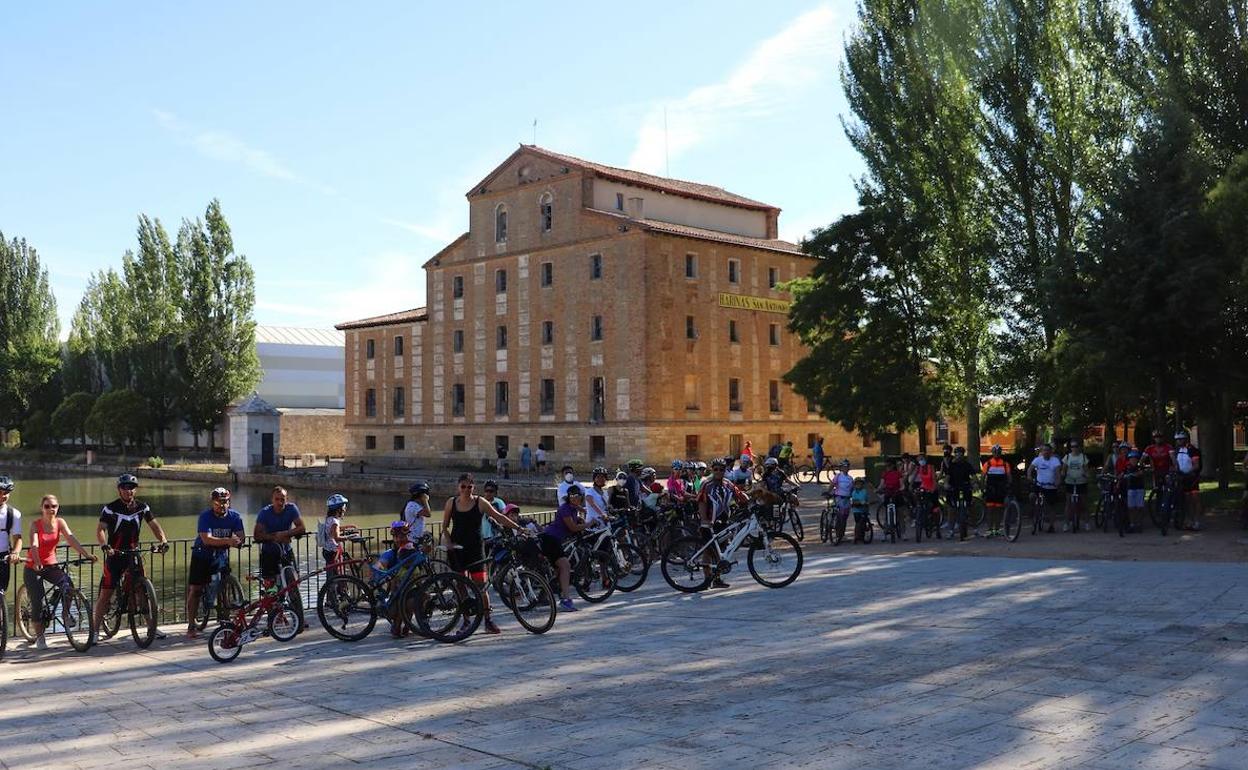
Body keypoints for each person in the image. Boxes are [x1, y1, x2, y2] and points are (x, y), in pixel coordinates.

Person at [441, 473, 524, 634]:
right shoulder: (451, 502)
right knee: (461, 586)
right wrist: (449, 542)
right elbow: (444, 526)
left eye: (469, 486)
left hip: (476, 549)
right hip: (457, 550)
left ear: (474, 487)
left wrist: (519, 528)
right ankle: (466, 621)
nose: (466, 490)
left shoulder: (480, 502)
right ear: (458, 487)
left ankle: (488, 620)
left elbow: (499, 517)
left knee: (481, 587)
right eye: (463, 486)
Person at [93, 473, 169, 636]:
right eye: (125, 488)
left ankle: (151, 627)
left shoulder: (142, 507)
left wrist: (163, 540)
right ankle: (94, 631)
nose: (129, 491)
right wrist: (104, 545)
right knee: (106, 594)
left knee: (142, 589)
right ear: (119, 489)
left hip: (133, 554)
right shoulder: (110, 508)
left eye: (132, 488)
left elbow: (154, 525)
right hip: (115, 555)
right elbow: (100, 529)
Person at [24, 494, 97, 649]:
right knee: (37, 601)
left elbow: (71, 539)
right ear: (42, 508)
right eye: (47, 506)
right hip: (33, 567)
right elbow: (34, 545)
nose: (51, 509)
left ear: (58, 508)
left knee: (68, 587)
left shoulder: (60, 522)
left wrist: (86, 554)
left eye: (54, 506)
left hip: (51, 565)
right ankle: (40, 637)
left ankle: (65, 615)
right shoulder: (35, 525)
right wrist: (37, 562)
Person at [185, 488, 245, 639]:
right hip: (202, 555)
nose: (222, 505)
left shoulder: (235, 516)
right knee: (196, 590)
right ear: (213, 503)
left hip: (221, 555)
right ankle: (191, 625)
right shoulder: (205, 516)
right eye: (218, 502)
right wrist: (228, 541)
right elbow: (207, 539)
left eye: (225, 502)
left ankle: (226, 618)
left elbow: (241, 536)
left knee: (224, 585)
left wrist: (238, 541)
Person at [696, 458, 747, 587]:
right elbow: (701, 502)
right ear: (712, 470)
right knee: (708, 552)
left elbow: (739, 495)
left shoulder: (728, 484)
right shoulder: (706, 484)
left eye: (721, 469)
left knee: (721, 552)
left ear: (725, 470)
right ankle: (707, 580)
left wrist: (749, 498)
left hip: (724, 522)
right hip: (709, 522)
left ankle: (717, 579)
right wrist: (704, 520)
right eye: (716, 469)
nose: (718, 472)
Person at [540, 484, 590, 610]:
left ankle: (544, 594)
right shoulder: (565, 509)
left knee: (558, 569)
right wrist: (589, 524)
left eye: (577, 496)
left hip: (556, 540)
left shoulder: (573, 508)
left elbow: (580, 512)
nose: (575, 498)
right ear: (568, 497)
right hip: (550, 539)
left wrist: (581, 517)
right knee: (565, 565)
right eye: (572, 496)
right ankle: (566, 600)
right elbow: (572, 527)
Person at [372, 520, 420, 636]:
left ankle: (408, 624)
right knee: (397, 606)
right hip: (396, 594)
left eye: (403, 536)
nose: (399, 540)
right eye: (396, 537)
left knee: (413, 601)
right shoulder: (391, 553)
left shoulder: (415, 551)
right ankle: (397, 623)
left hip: (413, 590)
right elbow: (380, 565)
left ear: (408, 536)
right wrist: (382, 571)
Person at [254, 486, 306, 589]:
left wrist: (284, 534)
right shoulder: (264, 513)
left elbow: (302, 528)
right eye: (276, 499)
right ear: (272, 500)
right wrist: (275, 537)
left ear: (286, 500)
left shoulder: (291, 509)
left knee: (294, 584)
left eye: (282, 499)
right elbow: (257, 535)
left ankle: (292, 604)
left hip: (286, 551)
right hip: (269, 553)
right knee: (271, 588)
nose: (279, 502)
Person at [0, 476, 22, 620]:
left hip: (3, 557)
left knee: (0, 594)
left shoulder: (13, 514)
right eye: (0, 492)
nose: (3, 496)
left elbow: (17, 538)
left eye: (6, 493)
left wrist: (15, 552)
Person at [944, 447, 977, 540]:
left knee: (970, 507)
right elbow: (947, 476)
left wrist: (974, 483)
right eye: (957, 453)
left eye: (960, 453)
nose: (958, 455)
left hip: (965, 486)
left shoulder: (967, 465)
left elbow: (973, 476)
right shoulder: (952, 465)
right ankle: (950, 530)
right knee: (952, 509)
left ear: (963, 454)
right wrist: (946, 484)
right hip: (954, 488)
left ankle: (975, 529)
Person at [1028, 445, 1063, 533]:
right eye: (1044, 450)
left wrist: (1058, 481)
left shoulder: (1055, 461)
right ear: (1042, 451)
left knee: (1051, 506)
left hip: (1051, 486)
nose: (1046, 452)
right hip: (1039, 484)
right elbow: (1030, 469)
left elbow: (1057, 472)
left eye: (1048, 450)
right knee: (1032, 496)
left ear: (1051, 452)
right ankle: (1032, 509)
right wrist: (1029, 476)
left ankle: (1051, 525)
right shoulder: (1038, 460)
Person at [981, 445, 1012, 537]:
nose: (997, 454)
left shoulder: (1005, 463)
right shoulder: (988, 463)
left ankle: (997, 529)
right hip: (990, 488)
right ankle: (990, 529)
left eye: (998, 452)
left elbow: (1009, 475)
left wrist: (1009, 485)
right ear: (992, 453)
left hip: (1001, 489)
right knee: (990, 509)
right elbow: (983, 476)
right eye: (995, 452)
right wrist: (982, 487)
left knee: (999, 509)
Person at [1174, 431, 1202, 530]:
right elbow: (1176, 463)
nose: (1178, 441)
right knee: (1187, 500)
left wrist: (1189, 472)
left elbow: (1196, 465)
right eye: (1177, 440)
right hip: (1182, 478)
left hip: (1192, 478)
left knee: (1195, 499)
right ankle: (1190, 521)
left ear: (1186, 439)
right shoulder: (1177, 450)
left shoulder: (1192, 450)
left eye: (1180, 439)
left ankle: (1197, 521)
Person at [1061, 440, 1090, 532]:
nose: (1074, 448)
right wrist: (1062, 474)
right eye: (1073, 446)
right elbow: (1064, 469)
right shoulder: (1067, 457)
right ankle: (1066, 523)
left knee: (1084, 502)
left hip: (1081, 482)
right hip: (1070, 481)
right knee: (1068, 503)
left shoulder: (1083, 457)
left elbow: (1086, 469)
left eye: (1076, 446)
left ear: (1079, 447)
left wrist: (1086, 474)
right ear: (1070, 448)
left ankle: (1086, 523)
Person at [318, 494, 350, 570]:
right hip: (333, 552)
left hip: (326, 550)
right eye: (344, 507)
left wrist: (348, 527)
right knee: (336, 574)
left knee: (331, 573)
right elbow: (336, 538)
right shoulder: (335, 521)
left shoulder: (329, 519)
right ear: (339, 509)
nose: (345, 509)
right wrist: (349, 538)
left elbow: (332, 530)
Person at [876, 459, 906, 539]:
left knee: (900, 514)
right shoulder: (884, 474)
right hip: (888, 494)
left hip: (897, 494)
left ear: (893, 466)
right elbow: (882, 484)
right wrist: (878, 489)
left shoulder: (898, 474)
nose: (887, 467)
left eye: (889, 465)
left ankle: (903, 533)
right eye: (886, 466)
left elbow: (902, 484)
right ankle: (885, 532)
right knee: (887, 514)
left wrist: (901, 488)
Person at [914, 455, 940, 542]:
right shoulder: (919, 468)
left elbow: (934, 479)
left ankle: (937, 527)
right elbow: (913, 477)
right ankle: (919, 517)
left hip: (932, 488)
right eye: (919, 460)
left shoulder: (930, 467)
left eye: (922, 459)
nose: (920, 461)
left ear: (925, 460)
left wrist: (933, 488)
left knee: (935, 508)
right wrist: (910, 486)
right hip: (923, 488)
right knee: (919, 503)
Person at [1122, 450, 1146, 534]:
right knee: (1131, 508)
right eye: (1131, 459)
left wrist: (1133, 474)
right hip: (1131, 489)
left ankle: (1139, 523)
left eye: (1135, 459)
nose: (1133, 461)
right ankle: (1132, 524)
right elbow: (1122, 475)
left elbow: (1140, 473)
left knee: (1139, 507)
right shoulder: (1127, 467)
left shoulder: (1140, 467)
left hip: (1139, 489)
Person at [850, 478, 871, 543]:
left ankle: (862, 535)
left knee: (863, 522)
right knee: (858, 522)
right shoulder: (854, 492)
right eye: (857, 484)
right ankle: (856, 536)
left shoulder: (864, 491)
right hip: (856, 510)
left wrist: (867, 502)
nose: (858, 485)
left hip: (864, 509)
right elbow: (854, 500)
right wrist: (859, 502)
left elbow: (867, 499)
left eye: (860, 484)